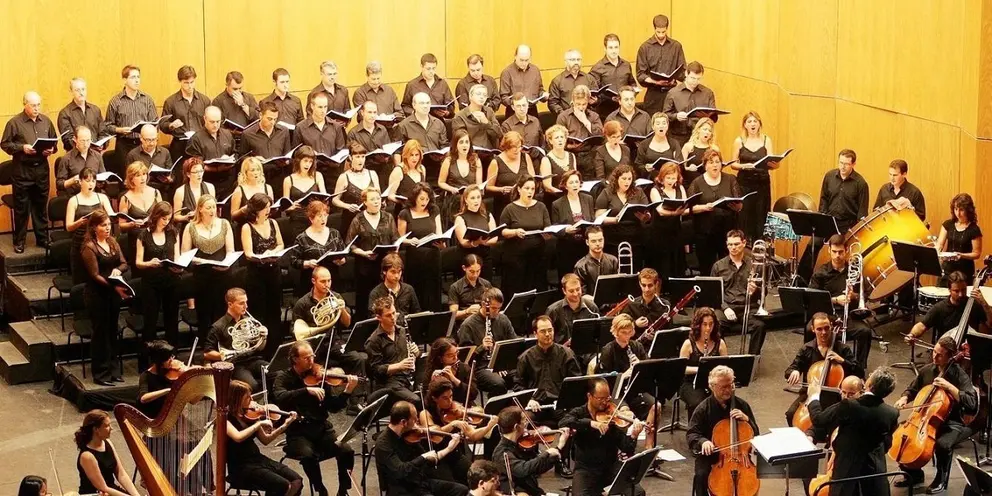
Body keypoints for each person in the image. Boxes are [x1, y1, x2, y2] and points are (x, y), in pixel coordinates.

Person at [273, 340, 359, 496]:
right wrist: (306, 390)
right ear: (295, 359)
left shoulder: (319, 376)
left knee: (346, 450)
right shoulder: (283, 377)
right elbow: (280, 396)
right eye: (307, 358)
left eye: (312, 356)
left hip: (321, 428)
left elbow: (333, 407)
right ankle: (321, 489)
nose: (312, 361)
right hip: (298, 432)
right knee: (308, 456)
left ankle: (343, 489)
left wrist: (347, 391)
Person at [893, 336, 978, 493]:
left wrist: (950, 387)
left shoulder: (960, 375)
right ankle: (914, 474)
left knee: (942, 444)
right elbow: (912, 389)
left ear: (950, 356)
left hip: (952, 422)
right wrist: (904, 397)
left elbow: (972, 402)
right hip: (924, 419)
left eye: (940, 355)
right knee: (901, 435)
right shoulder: (928, 370)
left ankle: (941, 479)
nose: (935, 356)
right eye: (934, 352)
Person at [806, 367, 899, 496]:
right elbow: (887, 444)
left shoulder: (849, 405)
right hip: (874, 472)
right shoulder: (892, 413)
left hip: (847, 471)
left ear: (869, 384)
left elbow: (819, 419)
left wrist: (814, 396)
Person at [561, 377, 645, 496]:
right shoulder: (579, 412)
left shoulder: (611, 415)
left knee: (638, 493)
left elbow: (626, 448)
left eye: (607, 398)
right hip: (586, 469)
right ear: (589, 396)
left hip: (610, 467)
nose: (605, 402)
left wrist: (633, 436)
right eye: (601, 399)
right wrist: (591, 423)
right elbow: (564, 422)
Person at [686, 365, 758, 496]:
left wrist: (747, 419)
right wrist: (703, 442)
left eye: (730, 385)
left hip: (741, 457)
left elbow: (756, 434)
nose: (728, 390)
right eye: (723, 387)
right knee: (701, 475)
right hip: (711, 455)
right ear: (712, 387)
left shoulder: (742, 405)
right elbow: (692, 433)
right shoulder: (703, 408)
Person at [784, 312, 863, 426]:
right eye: (819, 329)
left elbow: (859, 372)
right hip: (811, 393)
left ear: (831, 326)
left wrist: (842, 361)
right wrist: (794, 371)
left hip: (835, 396)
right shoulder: (806, 349)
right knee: (790, 414)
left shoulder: (842, 349)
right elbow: (790, 369)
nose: (824, 333)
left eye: (826, 328)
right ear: (813, 329)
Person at [227, 379, 304, 496]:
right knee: (281, 485)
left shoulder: (250, 415)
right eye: (247, 397)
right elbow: (238, 437)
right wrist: (258, 424)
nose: (252, 400)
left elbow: (266, 440)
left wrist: (285, 425)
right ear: (237, 399)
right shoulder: (225, 420)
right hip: (241, 467)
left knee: (297, 480)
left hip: (257, 459)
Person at [374, 401, 468, 496]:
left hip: (419, 481)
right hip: (401, 488)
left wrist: (449, 448)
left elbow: (429, 460)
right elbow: (401, 471)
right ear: (403, 422)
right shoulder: (384, 444)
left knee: (461, 490)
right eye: (414, 420)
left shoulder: (408, 435)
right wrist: (423, 457)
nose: (417, 423)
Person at [597, 314, 663, 449]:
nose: (627, 336)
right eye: (623, 332)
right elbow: (605, 381)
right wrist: (624, 375)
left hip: (634, 390)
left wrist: (641, 366)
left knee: (656, 406)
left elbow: (649, 374)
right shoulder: (608, 350)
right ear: (615, 332)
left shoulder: (637, 346)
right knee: (626, 413)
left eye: (630, 332)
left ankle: (649, 445)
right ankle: (626, 447)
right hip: (616, 393)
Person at [1, 91, 55, 253]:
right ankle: (19, 241)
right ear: (25, 105)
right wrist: (22, 148)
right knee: (22, 208)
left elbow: (54, 142)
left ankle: (42, 239)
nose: (37, 108)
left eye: (38, 105)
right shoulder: (14, 123)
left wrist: (51, 150)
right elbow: (5, 144)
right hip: (22, 170)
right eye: (33, 105)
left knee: (40, 206)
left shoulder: (46, 121)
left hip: (41, 169)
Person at [809, 234, 874, 367]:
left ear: (846, 251)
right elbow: (813, 297)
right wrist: (835, 300)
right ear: (829, 250)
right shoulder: (820, 273)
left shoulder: (854, 271)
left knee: (865, 331)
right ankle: (811, 365)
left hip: (849, 316)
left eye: (840, 252)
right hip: (827, 316)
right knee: (808, 329)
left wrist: (853, 296)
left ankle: (858, 368)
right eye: (834, 252)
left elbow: (865, 294)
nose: (837, 255)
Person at [81, 210, 130, 386]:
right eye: (103, 225)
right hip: (97, 295)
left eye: (109, 224)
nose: (108, 228)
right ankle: (101, 374)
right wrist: (114, 286)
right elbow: (95, 275)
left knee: (112, 331)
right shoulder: (89, 247)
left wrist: (118, 270)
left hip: (112, 294)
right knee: (100, 333)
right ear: (94, 227)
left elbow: (124, 263)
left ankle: (113, 370)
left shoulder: (112, 242)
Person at [420, 378, 497, 483]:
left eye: (451, 396)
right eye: (445, 398)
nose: (450, 401)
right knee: (454, 485)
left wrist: (489, 426)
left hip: (455, 455)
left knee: (477, 478)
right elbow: (435, 435)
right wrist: (452, 424)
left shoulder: (455, 410)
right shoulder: (425, 413)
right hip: (439, 457)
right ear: (434, 398)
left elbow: (473, 435)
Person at [181, 194, 235, 337]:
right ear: (200, 209)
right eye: (208, 207)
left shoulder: (224, 224)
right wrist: (199, 260)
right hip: (202, 276)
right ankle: (207, 345)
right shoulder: (190, 227)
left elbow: (230, 251)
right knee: (205, 313)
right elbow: (185, 254)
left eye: (214, 207)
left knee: (222, 312)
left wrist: (227, 263)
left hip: (222, 274)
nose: (212, 210)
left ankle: (223, 343)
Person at [240, 192, 285, 355]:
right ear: (256, 209)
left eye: (269, 207)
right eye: (265, 208)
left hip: (273, 271)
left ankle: (275, 348)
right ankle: (261, 350)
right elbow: (248, 253)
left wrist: (272, 252)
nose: (268, 211)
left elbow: (280, 244)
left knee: (274, 310)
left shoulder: (273, 223)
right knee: (259, 311)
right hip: (256, 274)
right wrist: (262, 256)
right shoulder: (247, 227)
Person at [711, 230, 768, 355]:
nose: (733, 248)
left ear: (744, 243)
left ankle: (752, 358)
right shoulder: (718, 266)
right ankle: (721, 357)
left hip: (748, 306)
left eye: (736, 244)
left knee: (760, 326)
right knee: (715, 324)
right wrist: (725, 308)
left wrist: (755, 290)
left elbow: (765, 292)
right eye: (730, 244)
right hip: (726, 306)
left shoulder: (755, 265)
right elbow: (714, 293)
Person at [515, 316, 582, 423]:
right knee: (524, 422)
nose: (547, 334)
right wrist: (529, 400)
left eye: (550, 330)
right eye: (543, 331)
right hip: (536, 404)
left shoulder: (567, 354)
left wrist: (564, 401)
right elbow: (518, 385)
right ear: (535, 334)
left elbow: (576, 383)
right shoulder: (525, 357)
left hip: (560, 404)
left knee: (571, 422)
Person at [135, 202, 181, 353]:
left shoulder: (173, 233)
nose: (166, 222)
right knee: (150, 319)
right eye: (163, 218)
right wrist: (149, 263)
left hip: (171, 280)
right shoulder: (144, 235)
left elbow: (177, 257)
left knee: (171, 318)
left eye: (168, 218)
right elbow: (138, 263)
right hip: (151, 282)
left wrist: (178, 266)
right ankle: (149, 356)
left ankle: (172, 354)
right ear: (156, 217)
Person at [687, 149, 743, 276]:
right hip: (705, 232)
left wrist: (737, 207)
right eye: (711, 162)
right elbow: (690, 208)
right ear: (705, 165)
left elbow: (739, 204)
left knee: (728, 266)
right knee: (707, 267)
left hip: (727, 231)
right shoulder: (697, 182)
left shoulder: (730, 179)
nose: (715, 165)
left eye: (718, 162)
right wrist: (704, 207)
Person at [346, 187, 398, 320]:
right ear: (365, 202)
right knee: (365, 300)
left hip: (385, 265)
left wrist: (395, 248)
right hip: (365, 265)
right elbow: (350, 245)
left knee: (385, 299)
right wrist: (363, 253)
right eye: (372, 199)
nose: (376, 202)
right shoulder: (358, 219)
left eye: (378, 199)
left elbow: (395, 238)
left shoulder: (388, 217)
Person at [492, 406, 567, 496]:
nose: (527, 423)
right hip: (517, 492)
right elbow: (523, 469)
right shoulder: (501, 453)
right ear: (516, 426)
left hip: (533, 490)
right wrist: (546, 453)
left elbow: (537, 467)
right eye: (524, 421)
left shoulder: (522, 444)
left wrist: (559, 447)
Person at [204, 288, 268, 390]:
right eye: (241, 303)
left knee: (277, 374)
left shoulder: (249, 321)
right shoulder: (218, 326)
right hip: (236, 364)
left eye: (246, 302)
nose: (246, 306)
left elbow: (260, 348)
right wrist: (225, 355)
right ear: (230, 304)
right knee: (252, 386)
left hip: (253, 360)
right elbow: (207, 353)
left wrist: (263, 337)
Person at [456, 287, 516, 396]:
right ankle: (493, 404)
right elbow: (464, 359)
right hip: (480, 368)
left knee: (521, 376)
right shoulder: (468, 325)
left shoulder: (503, 319)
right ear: (484, 305)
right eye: (494, 308)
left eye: (499, 308)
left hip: (500, 364)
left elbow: (513, 344)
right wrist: (481, 347)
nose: (497, 312)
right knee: (498, 383)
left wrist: (500, 364)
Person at [731, 111, 779, 242]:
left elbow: (771, 162)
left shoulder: (766, 140)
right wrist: (744, 166)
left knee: (760, 216)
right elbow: (733, 164)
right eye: (749, 121)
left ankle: (760, 245)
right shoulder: (739, 141)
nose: (752, 124)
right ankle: (745, 245)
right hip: (744, 184)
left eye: (755, 121)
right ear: (745, 125)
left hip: (762, 184)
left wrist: (776, 164)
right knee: (745, 217)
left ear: (759, 124)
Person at [500, 175, 552, 296]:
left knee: (538, 285)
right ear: (519, 189)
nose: (530, 192)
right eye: (527, 188)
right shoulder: (510, 208)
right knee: (518, 287)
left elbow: (548, 227)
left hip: (537, 255)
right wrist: (515, 232)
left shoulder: (541, 206)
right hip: (517, 257)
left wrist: (547, 233)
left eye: (532, 189)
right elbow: (502, 231)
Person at [906, 271, 992, 343]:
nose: (961, 294)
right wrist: (912, 335)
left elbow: (990, 324)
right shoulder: (940, 308)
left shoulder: (974, 305)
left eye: (963, 290)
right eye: (956, 291)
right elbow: (922, 325)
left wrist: (984, 303)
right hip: (945, 350)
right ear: (949, 290)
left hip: (968, 350)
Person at [366, 297, 420, 407]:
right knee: (416, 400)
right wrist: (399, 366)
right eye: (388, 315)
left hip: (408, 376)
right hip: (390, 383)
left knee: (430, 393)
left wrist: (416, 353)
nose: (393, 318)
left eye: (394, 313)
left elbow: (413, 355)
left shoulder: (403, 331)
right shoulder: (373, 340)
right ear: (379, 318)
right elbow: (376, 370)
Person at [596, 164, 651, 270]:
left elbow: (647, 212)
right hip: (613, 238)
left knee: (636, 269)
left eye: (629, 179)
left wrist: (645, 217)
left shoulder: (638, 192)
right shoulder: (607, 192)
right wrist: (614, 220)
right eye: (624, 179)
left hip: (635, 238)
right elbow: (598, 216)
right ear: (616, 179)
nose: (627, 182)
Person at [65, 168, 115, 284]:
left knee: (100, 276)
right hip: (81, 241)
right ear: (80, 182)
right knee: (81, 280)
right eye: (87, 181)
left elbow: (111, 216)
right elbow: (68, 226)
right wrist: (79, 222)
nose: (91, 184)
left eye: (93, 181)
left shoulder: (102, 197)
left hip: (99, 241)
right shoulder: (74, 200)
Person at [398, 184, 443, 311]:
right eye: (422, 199)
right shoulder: (405, 213)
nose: (425, 202)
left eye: (427, 199)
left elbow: (439, 233)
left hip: (433, 256)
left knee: (433, 291)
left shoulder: (434, 210)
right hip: (415, 257)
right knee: (418, 291)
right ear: (414, 198)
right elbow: (399, 238)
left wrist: (441, 242)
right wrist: (409, 240)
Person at [74, 410, 141, 496]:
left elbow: (121, 474)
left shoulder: (107, 442)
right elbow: (103, 487)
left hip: (111, 490)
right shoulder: (87, 456)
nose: (111, 428)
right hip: (97, 493)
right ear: (96, 429)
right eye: (107, 426)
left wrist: (136, 495)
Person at [106, 65, 157, 175]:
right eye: (133, 77)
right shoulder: (115, 101)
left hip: (143, 144)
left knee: (144, 174)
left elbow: (155, 122)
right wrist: (119, 130)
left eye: (138, 77)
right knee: (127, 175)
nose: (137, 80)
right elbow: (107, 126)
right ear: (125, 80)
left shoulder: (147, 100)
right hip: (124, 144)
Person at [679, 307, 729, 416]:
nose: (708, 328)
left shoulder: (720, 343)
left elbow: (725, 368)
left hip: (714, 382)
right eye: (704, 324)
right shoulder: (688, 344)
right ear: (698, 325)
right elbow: (681, 369)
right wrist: (700, 369)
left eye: (711, 324)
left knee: (725, 399)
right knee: (697, 402)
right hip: (691, 383)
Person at [290, 201, 345, 296]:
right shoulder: (302, 238)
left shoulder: (334, 233)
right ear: (311, 218)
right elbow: (293, 261)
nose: (323, 219)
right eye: (320, 216)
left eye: (325, 215)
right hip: (312, 280)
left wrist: (342, 260)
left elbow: (343, 253)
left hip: (332, 278)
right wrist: (307, 263)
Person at [636, 14, 687, 115]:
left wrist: (678, 77)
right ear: (654, 29)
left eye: (663, 32)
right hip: (653, 94)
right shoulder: (645, 48)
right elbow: (640, 75)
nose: (661, 35)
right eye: (658, 32)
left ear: (667, 29)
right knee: (653, 121)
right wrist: (655, 81)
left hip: (672, 92)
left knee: (672, 121)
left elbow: (682, 72)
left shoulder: (676, 46)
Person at [185, 105, 237, 200]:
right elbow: (195, 163)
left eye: (218, 121)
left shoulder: (227, 134)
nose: (215, 125)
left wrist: (232, 160)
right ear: (205, 119)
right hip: (207, 181)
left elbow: (235, 153)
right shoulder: (196, 139)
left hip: (227, 180)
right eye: (212, 122)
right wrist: (216, 169)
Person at [551, 170, 596, 278]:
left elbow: (592, 220)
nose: (575, 185)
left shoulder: (588, 199)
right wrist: (566, 230)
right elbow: (554, 228)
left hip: (585, 245)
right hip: (567, 246)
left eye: (577, 182)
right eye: (571, 182)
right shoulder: (557, 204)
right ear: (565, 185)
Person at [293, 92, 346, 182]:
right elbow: (296, 153)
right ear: (312, 106)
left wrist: (336, 161)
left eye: (325, 107)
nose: (323, 110)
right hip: (310, 174)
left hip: (332, 174)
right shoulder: (300, 127)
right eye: (320, 107)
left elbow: (341, 150)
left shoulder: (336, 126)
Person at [160, 65, 209, 160]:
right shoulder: (171, 102)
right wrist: (171, 125)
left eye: (192, 82)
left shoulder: (204, 100)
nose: (190, 86)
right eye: (186, 83)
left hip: (200, 143)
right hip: (180, 145)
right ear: (180, 82)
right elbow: (162, 124)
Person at [118, 161, 162, 267]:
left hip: (155, 237)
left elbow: (163, 214)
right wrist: (132, 224)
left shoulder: (156, 193)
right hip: (137, 240)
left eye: (144, 174)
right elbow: (121, 225)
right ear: (131, 179)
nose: (142, 178)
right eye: (138, 175)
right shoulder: (125, 198)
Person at [648, 162, 687, 280]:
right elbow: (660, 210)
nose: (671, 181)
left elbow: (685, 205)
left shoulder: (680, 188)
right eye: (668, 178)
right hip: (660, 234)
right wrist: (674, 213)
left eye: (673, 178)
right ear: (662, 177)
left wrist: (683, 210)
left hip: (676, 231)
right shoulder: (655, 190)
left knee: (677, 266)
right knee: (663, 268)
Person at [663, 61, 717, 146]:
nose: (695, 82)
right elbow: (665, 115)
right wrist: (676, 116)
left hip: (700, 136)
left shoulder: (708, 93)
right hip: (678, 136)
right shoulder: (673, 93)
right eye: (692, 78)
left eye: (698, 79)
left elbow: (713, 117)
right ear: (686, 74)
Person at [282, 145, 328, 243]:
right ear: (298, 161)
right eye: (305, 161)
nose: (308, 164)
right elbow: (285, 207)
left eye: (310, 161)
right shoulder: (288, 180)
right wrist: (291, 206)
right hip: (297, 220)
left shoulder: (318, 176)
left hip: (315, 219)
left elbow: (324, 197)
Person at [452, 186, 499, 281]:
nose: (476, 200)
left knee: (486, 285)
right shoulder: (460, 218)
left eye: (478, 197)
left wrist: (483, 242)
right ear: (466, 200)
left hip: (485, 256)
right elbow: (463, 242)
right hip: (467, 257)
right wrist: (476, 242)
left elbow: (494, 237)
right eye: (473, 198)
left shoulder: (487, 215)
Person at [439, 129, 484, 227]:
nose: (465, 145)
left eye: (467, 142)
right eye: (461, 142)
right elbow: (441, 182)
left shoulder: (476, 160)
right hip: (454, 200)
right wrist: (451, 189)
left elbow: (479, 184)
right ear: (456, 145)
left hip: (470, 201)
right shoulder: (449, 160)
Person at [487, 131, 536, 219]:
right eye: (514, 147)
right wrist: (502, 189)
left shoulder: (525, 157)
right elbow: (489, 186)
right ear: (506, 147)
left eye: (519, 146)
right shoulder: (496, 162)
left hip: (524, 202)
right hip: (505, 205)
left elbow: (532, 178)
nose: (517, 150)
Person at [818, 149, 869, 234]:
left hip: (848, 226)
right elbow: (824, 199)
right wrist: (822, 220)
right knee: (813, 241)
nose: (842, 167)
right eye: (841, 163)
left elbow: (862, 212)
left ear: (853, 164)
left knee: (836, 240)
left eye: (846, 164)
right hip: (829, 221)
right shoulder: (829, 176)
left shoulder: (861, 183)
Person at [557, 85, 604, 179]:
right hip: (569, 154)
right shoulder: (563, 117)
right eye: (578, 104)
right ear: (573, 101)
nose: (581, 108)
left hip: (590, 154)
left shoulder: (594, 116)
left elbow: (601, 136)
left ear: (588, 102)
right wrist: (568, 146)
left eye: (584, 104)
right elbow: (557, 138)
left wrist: (586, 122)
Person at [241, 101, 292, 184]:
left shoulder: (284, 131)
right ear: (261, 115)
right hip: (258, 177)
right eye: (269, 119)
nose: (272, 122)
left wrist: (286, 161)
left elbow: (287, 154)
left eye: (275, 119)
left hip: (279, 176)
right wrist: (253, 159)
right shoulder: (247, 134)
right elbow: (242, 157)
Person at [333, 141, 378, 234]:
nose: (361, 160)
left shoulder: (372, 174)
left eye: (363, 156)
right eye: (357, 157)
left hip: (371, 219)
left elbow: (378, 195)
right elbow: (335, 200)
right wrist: (347, 206)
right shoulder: (344, 177)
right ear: (350, 157)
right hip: (351, 220)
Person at [936, 193, 983, 283]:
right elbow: (940, 245)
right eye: (955, 209)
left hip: (964, 272)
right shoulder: (948, 224)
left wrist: (961, 255)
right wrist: (938, 253)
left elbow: (977, 254)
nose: (958, 213)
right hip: (947, 269)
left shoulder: (974, 229)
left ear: (968, 210)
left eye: (961, 210)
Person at [591, 34, 637, 120]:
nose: (614, 51)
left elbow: (632, 83)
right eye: (610, 48)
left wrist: (633, 91)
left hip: (625, 111)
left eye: (616, 47)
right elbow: (594, 91)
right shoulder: (597, 67)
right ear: (605, 49)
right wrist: (608, 98)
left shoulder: (626, 65)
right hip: (606, 112)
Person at [546, 273, 599, 346]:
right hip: (562, 352)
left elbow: (597, 335)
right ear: (564, 291)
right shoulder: (553, 310)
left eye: (578, 289)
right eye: (571, 291)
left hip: (587, 351)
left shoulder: (591, 307)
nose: (575, 294)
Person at [621, 268, 676, 338]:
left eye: (650, 285)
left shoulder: (665, 306)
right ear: (639, 284)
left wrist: (655, 336)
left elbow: (668, 332)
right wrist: (635, 324)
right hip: (634, 344)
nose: (646, 289)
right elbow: (620, 328)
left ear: (656, 284)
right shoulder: (631, 304)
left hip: (656, 343)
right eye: (643, 285)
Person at [423, 338, 477, 406]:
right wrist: (432, 383)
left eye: (456, 353)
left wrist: (454, 379)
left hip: (463, 405)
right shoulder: (431, 370)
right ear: (440, 358)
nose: (455, 358)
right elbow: (426, 400)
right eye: (450, 355)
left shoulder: (464, 368)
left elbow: (473, 394)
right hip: (439, 407)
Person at [57, 77, 106, 151]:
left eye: (83, 89)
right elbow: (68, 140)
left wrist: (102, 144)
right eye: (77, 90)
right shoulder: (64, 114)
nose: (81, 93)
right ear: (71, 92)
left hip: (95, 154)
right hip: (75, 156)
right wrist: (86, 146)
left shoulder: (95, 110)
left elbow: (103, 132)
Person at [56, 125, 105, 196]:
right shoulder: (66, 158)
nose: (86, 144)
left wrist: (101, 182)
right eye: (82, 141)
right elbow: (59, 184)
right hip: (74, 196)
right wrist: (72, 181)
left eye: (88, 140)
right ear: (75, 139)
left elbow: (103, 177)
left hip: (93, 195)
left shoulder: (97, 156)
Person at [369, 252, 423, 318]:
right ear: (384, 271)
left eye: (399, 271)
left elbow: (417, 314)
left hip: (405, 324)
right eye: (393, 272)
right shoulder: (376, 293)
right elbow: (373, 317)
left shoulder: (409, 289)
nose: (397, 276)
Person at [499, 45, 546, 118]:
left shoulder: (535, 70)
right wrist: (518, 103)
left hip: (531, 110)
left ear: (530, 58)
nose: (524, 63)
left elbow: (539, 89)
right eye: (521, 60)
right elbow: (503, 97)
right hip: (513, 111)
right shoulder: (507, 72)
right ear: (515, 56)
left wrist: (543, 95)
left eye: (526, 60)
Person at [402, 53, 454, 117]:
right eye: (428, 69)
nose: (431, 71)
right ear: (422, 66)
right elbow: (405, 106)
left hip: (438, 121)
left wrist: (447, 112)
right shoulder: (412, 85)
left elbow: (451, 106)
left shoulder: (442, 84)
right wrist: (415, 113)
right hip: (418, 121)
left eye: (433, 68)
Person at [452, 84, 502, 150]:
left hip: (489, 151)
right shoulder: (460, 116)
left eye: (484, 95)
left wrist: (487, 123)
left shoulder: (489, 111)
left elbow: (499, 134)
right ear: (470, 96)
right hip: (470, 151)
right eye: (478, 94)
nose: (482, 97)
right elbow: (459, 139)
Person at [126, 125, 173, 192]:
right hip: (141, 190)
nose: (151, 143)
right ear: (141, 138)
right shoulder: (132, 155)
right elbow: (129, 179)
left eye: (154, 139)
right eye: (148, 140)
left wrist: (170, 178)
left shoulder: (165, 152)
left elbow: (171, 173)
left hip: (162, 189)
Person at [573, 226, 620, 293]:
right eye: (593, 241)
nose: (598, 244)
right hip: (590, 299)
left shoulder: (613, 260)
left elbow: (617, 286)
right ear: (587, 242)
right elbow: (582, 293)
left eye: (600, 240)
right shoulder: (580, 266)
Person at [549, 49, 593, 118]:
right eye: (573, 60)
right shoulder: (557, 81)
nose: (576, 62)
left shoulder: (589, 78)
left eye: (578, 60)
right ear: (566, 62)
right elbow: (552, 103)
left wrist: (596, 101)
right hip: (567, 119)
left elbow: (597, 99)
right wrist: (564, 115)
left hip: (587, 117)